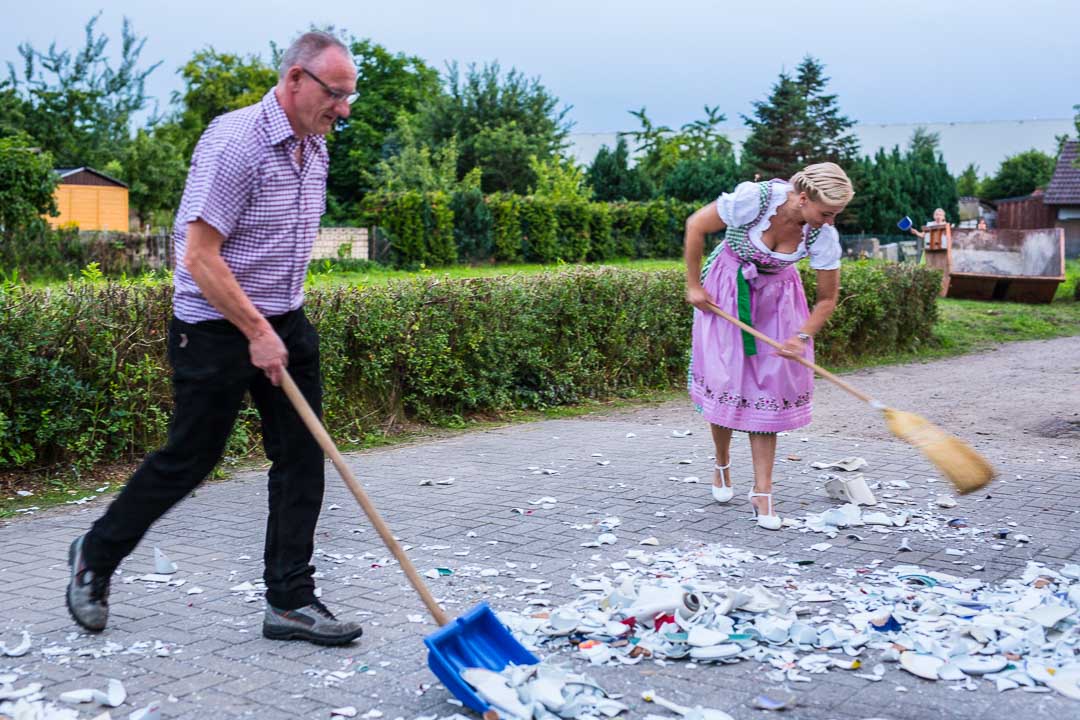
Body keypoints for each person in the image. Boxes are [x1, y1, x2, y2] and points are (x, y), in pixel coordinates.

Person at [66, 32, 364, 646]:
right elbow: (198, 257)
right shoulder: (235, 144)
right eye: (336, 94)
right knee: (191, 458)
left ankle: (290, 601)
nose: (344, 109)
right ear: (295, 81)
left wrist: (277, 328)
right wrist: (254, 330)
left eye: (350, 96)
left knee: (303, 457)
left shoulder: (316, 146)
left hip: (283, 318)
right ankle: (95, 554)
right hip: (213, 326)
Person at [684, 163, 854, 530]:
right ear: (803, 198)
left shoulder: (822, 235)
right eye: (826, 212)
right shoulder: (755, 200)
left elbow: (827, 300)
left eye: (835, 214)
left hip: (779, 304)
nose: (829, 221)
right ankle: (722, 463)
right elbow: (696, 225)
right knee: (727, 383)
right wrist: (694, 285)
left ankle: (763, 492)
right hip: (726, 292)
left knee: (769, 392)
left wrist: (802, 336)